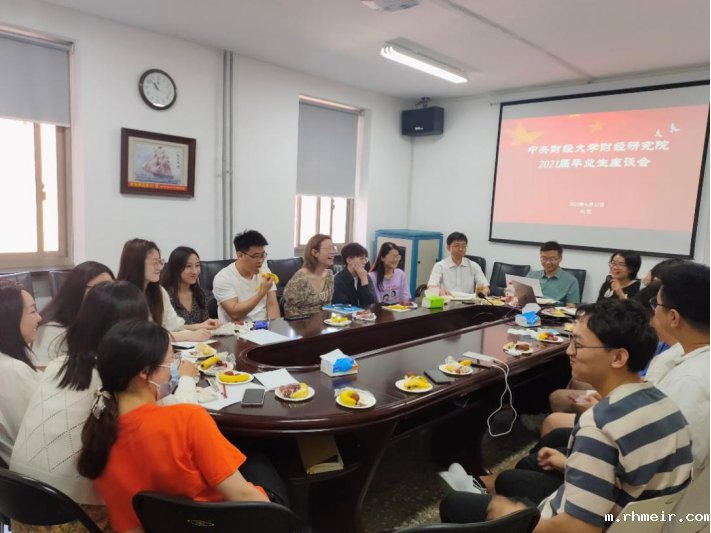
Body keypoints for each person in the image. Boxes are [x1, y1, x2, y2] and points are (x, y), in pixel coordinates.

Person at [440, 300, 693, 531]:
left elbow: (579, 529)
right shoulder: (665, 404)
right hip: (625, 521)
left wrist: (511, 514)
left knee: (455, 504)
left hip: (569, 524)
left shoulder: (599, 427)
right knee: (511, 477)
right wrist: (570, 463)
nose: (569, 351)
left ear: (618, 357)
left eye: (578, 345)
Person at [10, 281, 199, 533]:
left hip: (18, 506)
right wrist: (186, 378)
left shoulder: (58, 365)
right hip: (75, 518)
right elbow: (186, 419)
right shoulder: (123, 377)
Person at [77, 320, 289, 533]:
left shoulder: (96, 440)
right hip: (227, 524)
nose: (174, 369)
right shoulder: (187, 419)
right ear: (145, 372)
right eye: (171, 360)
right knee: (265, 457)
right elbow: (243, 496)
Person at [117, 238, 216, 341]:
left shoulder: (158, 291)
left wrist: (197, 327)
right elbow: (142, 336)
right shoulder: (122, 295)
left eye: (160, 262)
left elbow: (173, 326)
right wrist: (190, 335)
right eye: (154, 263)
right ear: (137, 264)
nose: (160, 267)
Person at [32, 261, 114, 366]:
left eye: (112, 287)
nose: (108, 293)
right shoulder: (52, 329)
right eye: (100, 288)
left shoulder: (108, 320)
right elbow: (43, 371)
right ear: (78, 290)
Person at [0, 281, 42, 466]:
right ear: (10, 319)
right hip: (31, 469)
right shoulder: (12, 370)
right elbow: (38, 433)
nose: (39, 317)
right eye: (32, 311)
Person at [213, 230, 280, 323]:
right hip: (237, 330)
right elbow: (234, 313)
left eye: (263, 255)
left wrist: (275, 327)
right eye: (256, 256)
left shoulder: (264, 270)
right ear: (240, 255)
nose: (261, 260)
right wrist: (262, 292)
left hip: (264, 327)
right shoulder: (223, 278)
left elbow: (272, 305)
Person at [283, 234, 336, 317]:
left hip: (325, 321)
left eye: (333, 248)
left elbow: (328, 305)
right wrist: (306, 324)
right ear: (315, 252)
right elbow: (290, 309)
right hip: (302, 322)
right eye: (327, 248)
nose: (332, 252)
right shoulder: (301, 277)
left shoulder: (329, 274)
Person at [427, 232, 490, 296]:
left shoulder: (473, 266)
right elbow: (431, 288)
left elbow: (486, 287)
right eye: (457, 246)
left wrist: (484, 291)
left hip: (469, 301)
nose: (461, 249)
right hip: (447, 300)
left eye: (464, 246)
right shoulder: (440, 266)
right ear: (448, 247)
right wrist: (439, 291)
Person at [161, 246, 210, 325]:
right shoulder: (165, 295)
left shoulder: (199, 293)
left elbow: (206, 323)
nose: (194, 271)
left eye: (197, 265)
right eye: (188, 266)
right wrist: (198, 327)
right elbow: (165, 327)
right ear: (176, 268)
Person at [526, 242, 580, 307]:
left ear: (560, 259)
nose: (548, 262)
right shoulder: (532, 275)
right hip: (530, 310)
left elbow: (571, 306)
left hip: (555, 312)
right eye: (544, 258)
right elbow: (521, 297)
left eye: (552, 259)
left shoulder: (571, 281)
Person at [332, 242, 376, 307]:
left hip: (364, 313)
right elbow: (342, 307)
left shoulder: (366, 277)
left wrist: (364, 281)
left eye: (365, 259)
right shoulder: (339, 279)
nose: (364, 262)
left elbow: (370, 304)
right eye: (361, 259)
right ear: (349, 261)